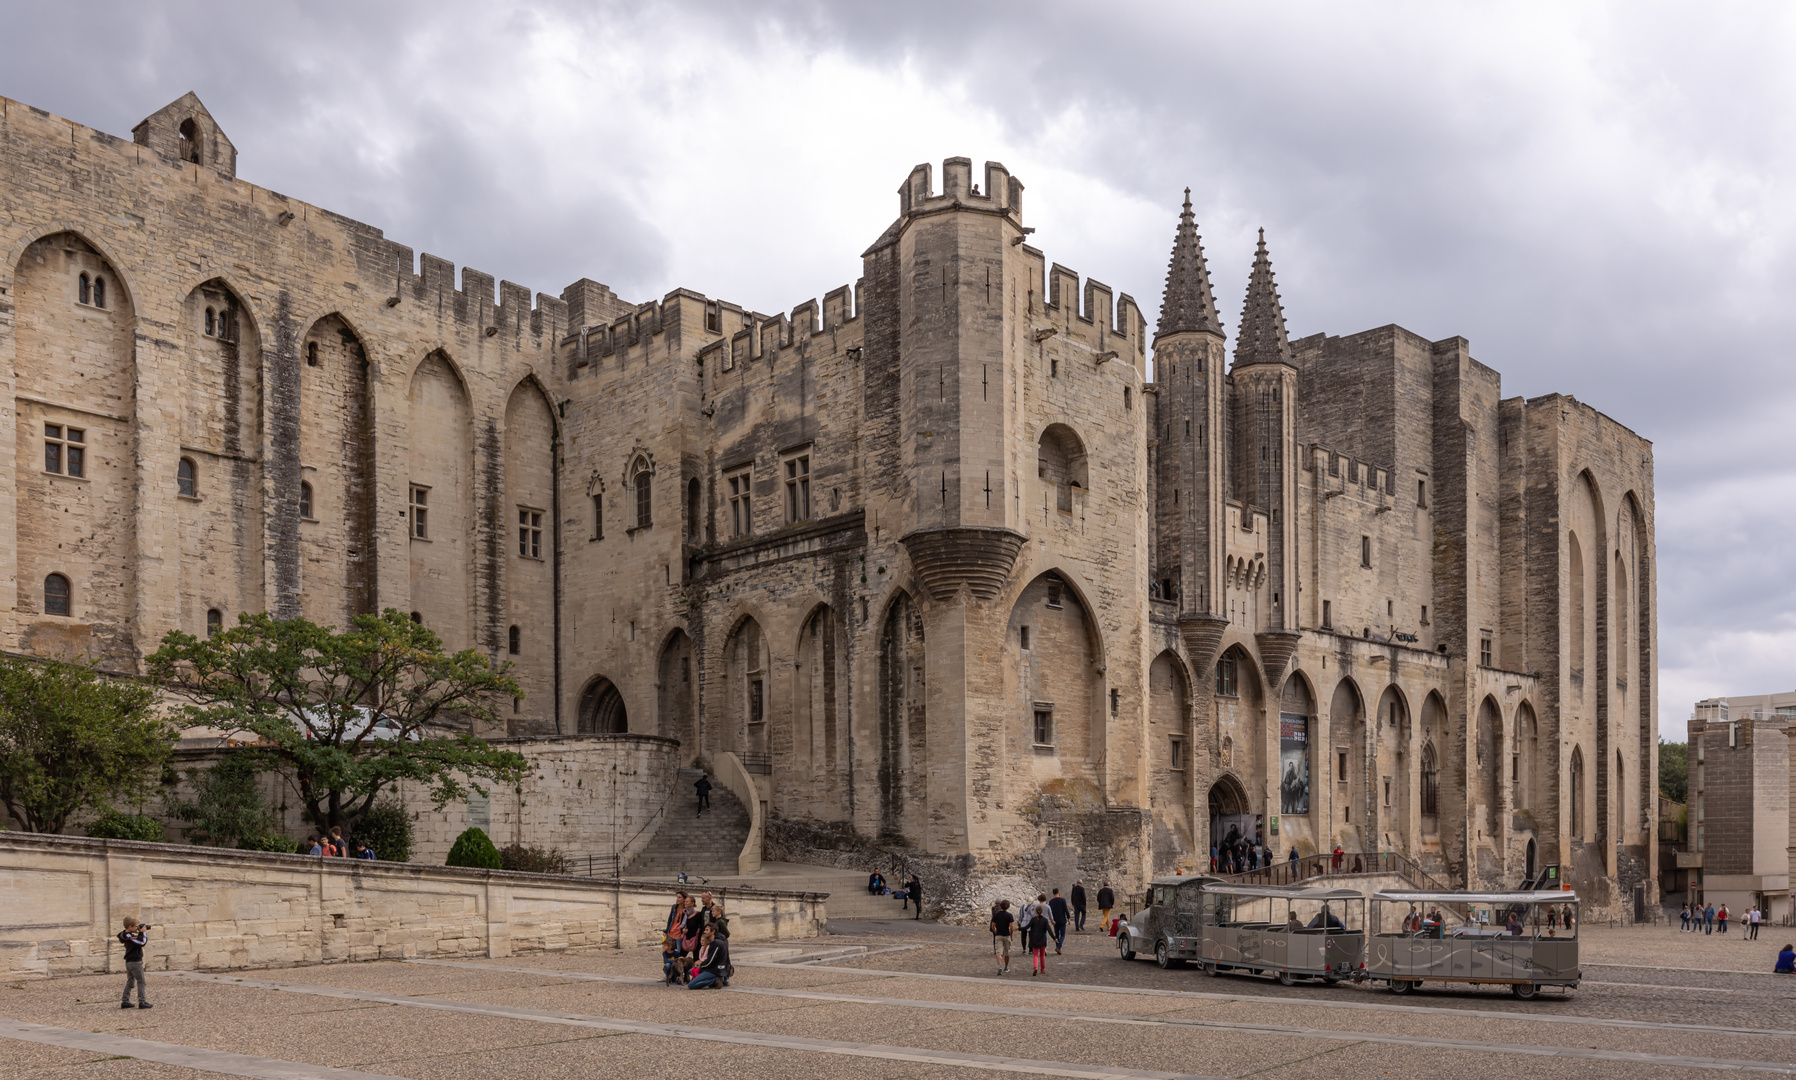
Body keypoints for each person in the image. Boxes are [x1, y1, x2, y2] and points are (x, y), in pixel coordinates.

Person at [118, 917, 151, 1009]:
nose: (137, 928)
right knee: (141, 982)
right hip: (135, 962)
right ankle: (142, 1002)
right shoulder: (129, 937)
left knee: (131, 982)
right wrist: (142, 932)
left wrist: (138, 931)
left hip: (129, 962)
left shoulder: (125, 935)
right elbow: (142, 942)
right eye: (136, 926)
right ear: (130, 926)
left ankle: (125, 1001)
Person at [1027, 893, 1053, 976]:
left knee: (1035, 954)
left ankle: (1035, 967)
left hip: (1036, 926)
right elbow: (1050, 915)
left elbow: (1028, 910)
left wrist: (1033, 914)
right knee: (1042, 954)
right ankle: (1042, 969)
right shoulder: (1047, 907)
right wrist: (1052, 921)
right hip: (1044, 924)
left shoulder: (1035, 906)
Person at [990, 900, 1015, 975]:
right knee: (1007, 952)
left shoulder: (996, 914)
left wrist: (995, 931)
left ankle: (1000, 965)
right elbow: (1011, 927)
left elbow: (993, 925)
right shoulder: (1009, 915)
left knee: (999, 952)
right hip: (1006, 935)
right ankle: (1006, 967)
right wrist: (1011, 935)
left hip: (999, 935)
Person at [1049, 888, 1070, 954]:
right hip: (1062, 919)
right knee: (1063, 934)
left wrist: (1051, 920)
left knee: (1057, 935)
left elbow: (1050, 912)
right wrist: (1068, 918)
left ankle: (1058, 947)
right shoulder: (1062, 900)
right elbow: (1066, 910)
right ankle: (1058, 946)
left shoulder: (1051, 902)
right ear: (1058, 892)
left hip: (1055, 920)